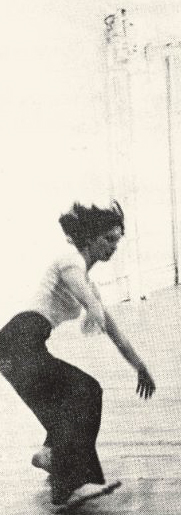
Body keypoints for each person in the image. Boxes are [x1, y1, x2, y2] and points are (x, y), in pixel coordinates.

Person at [0, 201, 156, 507]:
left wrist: (140, 366)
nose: (113, 247)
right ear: (91, 237)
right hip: (18, 342)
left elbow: (113, 331)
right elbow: (90, 304)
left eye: (117, 240)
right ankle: (71, 483)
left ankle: (50, 454)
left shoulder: (87, 281)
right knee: (85, 391)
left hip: (18, 346)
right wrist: (93, 311)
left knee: (75, 397)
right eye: (108, 239)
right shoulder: (70, 261)